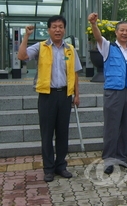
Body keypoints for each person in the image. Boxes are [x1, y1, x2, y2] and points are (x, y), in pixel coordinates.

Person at [18, 15, 82, 182]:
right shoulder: (41, 47)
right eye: (54, 27)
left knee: (63, 133)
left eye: (60, 26)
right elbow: (22, 56)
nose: (57, 30)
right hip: (47, 96)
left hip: (65, 96)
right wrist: (26, 36)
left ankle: (61, 165)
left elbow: (74, 73)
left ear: (65, 29)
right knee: (47, 134)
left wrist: (77, 94)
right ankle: (48, 168)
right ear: (48, 30)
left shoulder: (70, 49)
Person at [87, 13, 127, 174]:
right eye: (122, 30)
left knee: (126, 126)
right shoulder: (108, 47)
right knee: (111, 127)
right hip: (113, 92)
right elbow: (98, 37)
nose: (125, 33)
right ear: (116, 32)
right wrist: (94, 24)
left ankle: (122, 157)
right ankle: (108, 159)